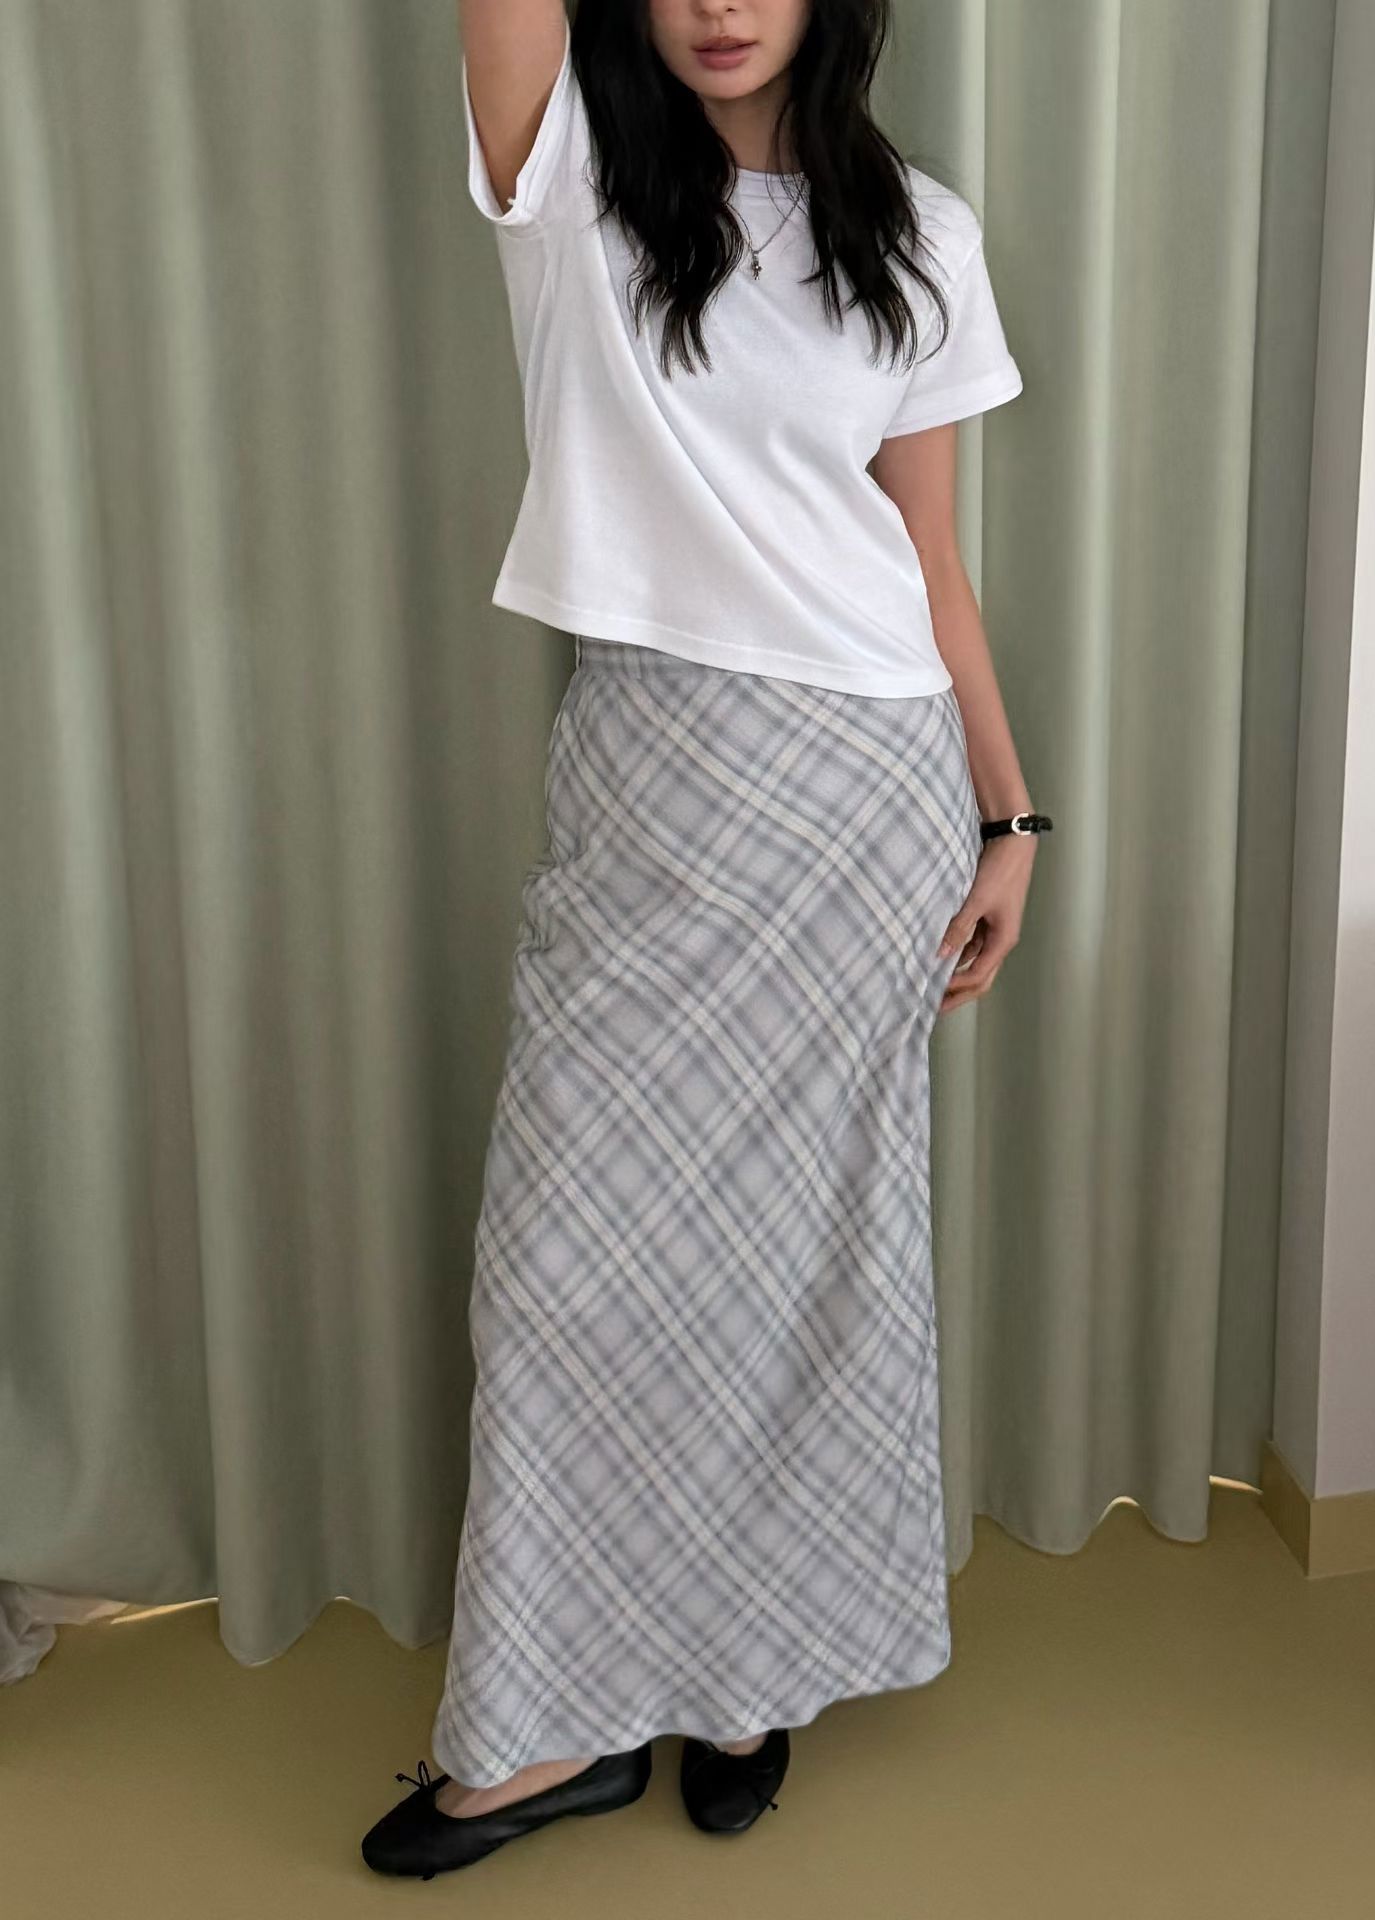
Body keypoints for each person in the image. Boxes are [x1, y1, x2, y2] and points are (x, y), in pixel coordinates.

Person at [362, 0, 1048, 1881]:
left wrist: (1007, 817)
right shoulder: (572, 178)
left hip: (867, 795)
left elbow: (930, 565)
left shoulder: (921, 230)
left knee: (807, 1269)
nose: (720, 4)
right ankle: (548, 1731)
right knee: (565, 1274)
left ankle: (755, 1678)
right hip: (656, 775)